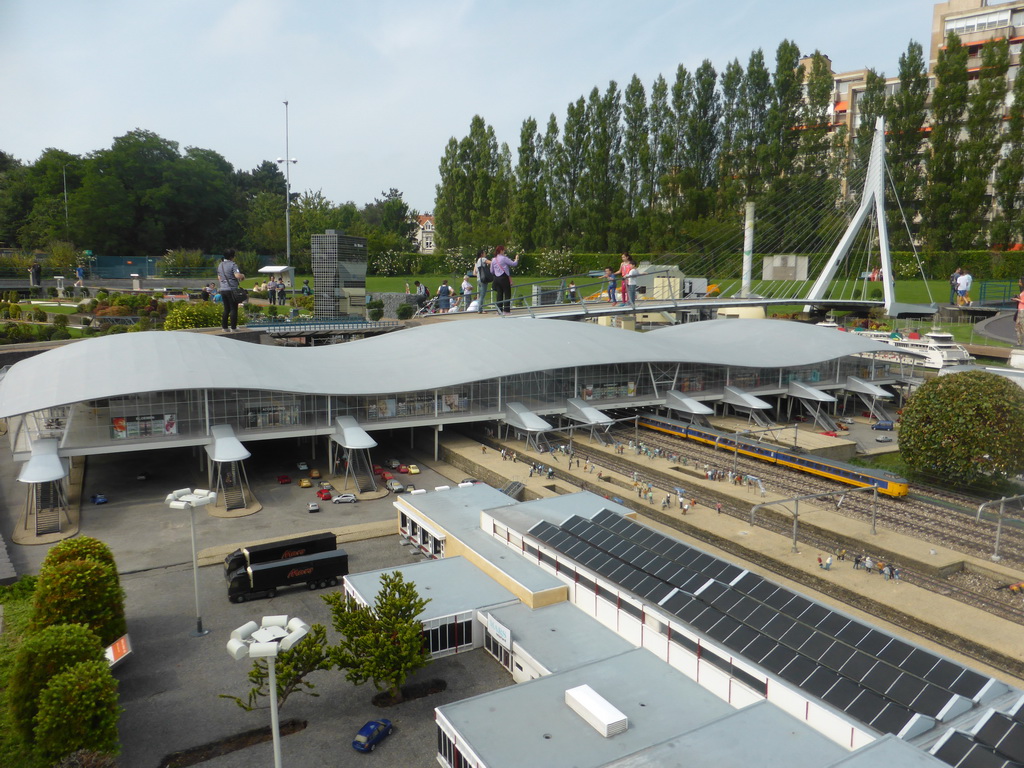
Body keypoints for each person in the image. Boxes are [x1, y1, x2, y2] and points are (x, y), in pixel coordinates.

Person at [217, 249, 244, 332]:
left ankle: (224, 327)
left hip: (223, 289)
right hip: (231, 289)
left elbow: (219, 277)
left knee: (226, 309)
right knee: (233, 309)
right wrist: (243, 276)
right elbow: (237, 275)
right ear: (232, 257)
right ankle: (233, 327)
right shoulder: (233, 265)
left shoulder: (220, 265)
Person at [490, 245, 519, 314]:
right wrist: (516, 259)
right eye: (503, 250)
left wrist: (497, 272)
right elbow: (513, 264)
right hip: (504, 277)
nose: (504, 251)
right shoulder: (504, 258)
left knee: (499, 295)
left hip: (497, 278)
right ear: (501, 251)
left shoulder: (494, 259)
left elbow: (491, 271)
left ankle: (499, 311)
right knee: (507, 294)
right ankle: (506, 310)